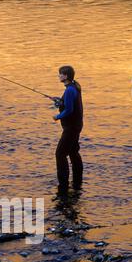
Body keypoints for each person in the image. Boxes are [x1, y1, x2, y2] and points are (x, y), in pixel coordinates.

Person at [53, 66, 84, 194]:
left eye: (60, 74)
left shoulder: (70, 90)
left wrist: (57, 116)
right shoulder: (73, 87)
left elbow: (70, 110)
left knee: (60, 154)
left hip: (71, 128)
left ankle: (63, 185)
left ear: (66, 76)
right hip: (75, 126)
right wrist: (60, 102)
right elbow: (68, 104)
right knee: (73, 152)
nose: (59, 76)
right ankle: (77, 181)